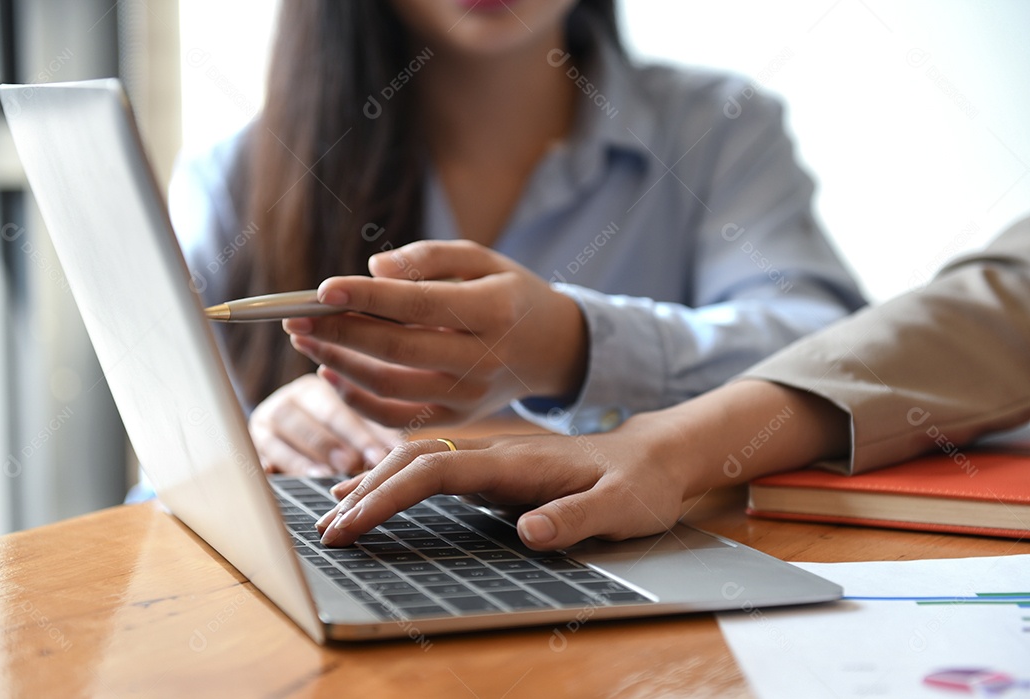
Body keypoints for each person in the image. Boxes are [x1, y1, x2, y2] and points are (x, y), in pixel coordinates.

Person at [170, 0, 864, 478]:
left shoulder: (719, 129)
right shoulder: (234, 179)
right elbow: (169, 483)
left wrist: (577, 348)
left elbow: (839, 360)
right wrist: (258, 446)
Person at [313, 215, 1030, 549]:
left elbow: (979, 313)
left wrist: (583, 355)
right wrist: (311, 402)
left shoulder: (721, 119)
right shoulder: (262, 153)